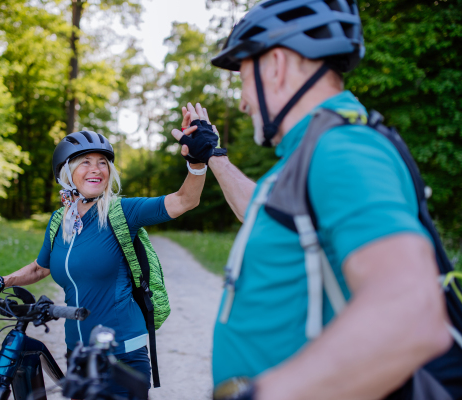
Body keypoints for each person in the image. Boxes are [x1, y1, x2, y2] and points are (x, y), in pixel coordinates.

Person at [170, 0, 456, 399]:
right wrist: (211, 154)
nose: (242, 102)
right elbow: (261, 214)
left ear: (276, 65)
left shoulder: (341, 149)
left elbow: (412, 314)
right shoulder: (310, 152)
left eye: (244, 80)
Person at [0, 113, 210, 397]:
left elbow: (185, 200)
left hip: (122, 352)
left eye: (102, 162)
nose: (96, 169)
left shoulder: (122, 212)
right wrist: (0, 281)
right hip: (78, 353)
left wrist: (197, 163)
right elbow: (40, 268)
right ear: (66, 172)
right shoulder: (60, 221)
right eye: (85, 162)